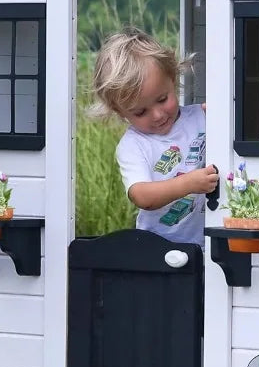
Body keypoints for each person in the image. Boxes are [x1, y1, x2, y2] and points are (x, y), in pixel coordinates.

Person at [89, 27, 219, 246]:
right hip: (156, 248)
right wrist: (188, 183)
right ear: (120, 112)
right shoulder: (133, 145)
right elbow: (142, 196)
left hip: (209, 244)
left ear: (173, 78)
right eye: (140, 112)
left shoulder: (202, 117)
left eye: (162, 99)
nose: (158, 115)